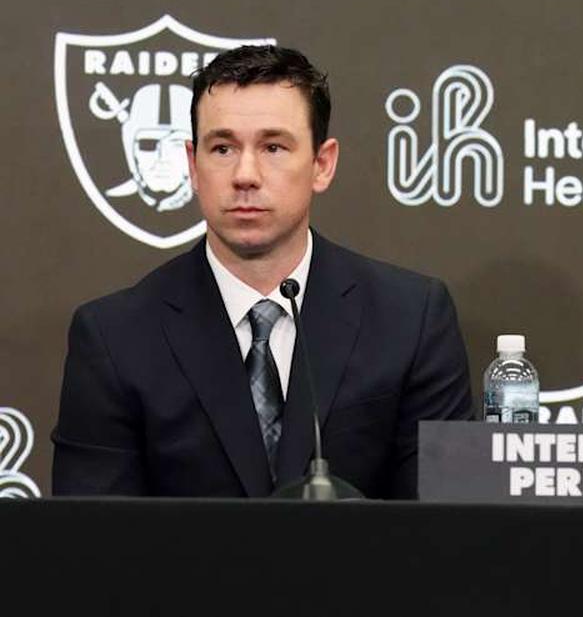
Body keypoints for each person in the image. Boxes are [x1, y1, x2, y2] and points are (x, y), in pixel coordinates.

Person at [53, 45, 473, 498]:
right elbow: (91, 546)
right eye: (222, 148)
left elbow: (443, 529)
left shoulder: (411, 320)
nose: (245, 174)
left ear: (322, 164)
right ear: (193, 166)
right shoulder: (116, 337)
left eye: (273, 147)